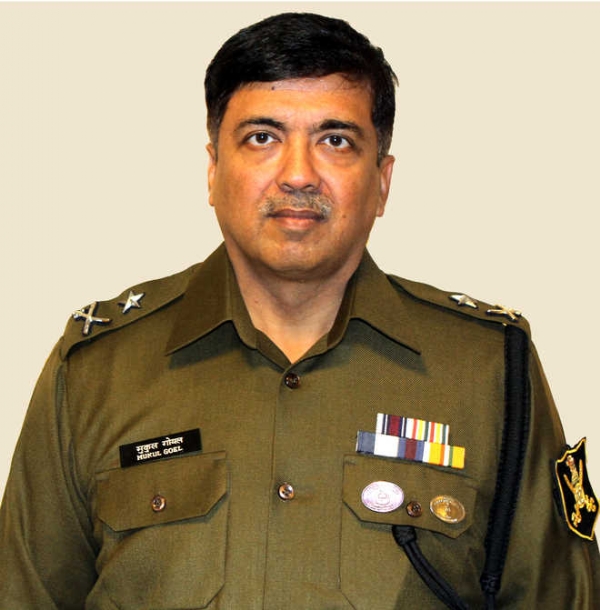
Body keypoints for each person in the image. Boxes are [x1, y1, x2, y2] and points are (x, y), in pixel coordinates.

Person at [0, 11, 598, 609]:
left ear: (382, 181)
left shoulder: (489, 369)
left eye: (335, 141)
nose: (297, 175)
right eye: (263, 137)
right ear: (213, 170)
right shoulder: (97, 369)